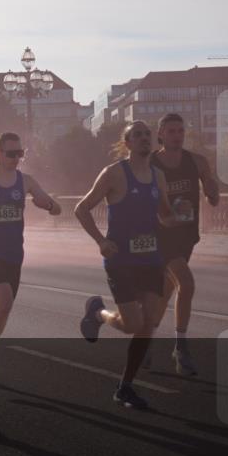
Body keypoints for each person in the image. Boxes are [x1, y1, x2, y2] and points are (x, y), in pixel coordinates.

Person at [75, 120, 182, 409]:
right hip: (120, 260)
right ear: (128, 143)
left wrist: (177, 216)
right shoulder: (114, 173)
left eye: (148, 134)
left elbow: (164, 214)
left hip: (150, 260)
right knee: (131, 324)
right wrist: (100, 241)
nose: (145, 138)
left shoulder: (158, 176)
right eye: (138, 135)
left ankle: (125, 387)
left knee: (147, 324)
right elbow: (81, 209)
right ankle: (97, 313)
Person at [0, 132, 61, 381]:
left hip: (14, 254)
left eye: (20, 154)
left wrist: (49, 206)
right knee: (5, 301)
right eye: (11, 153)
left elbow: (56, 207)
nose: (16, 158)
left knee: (3, 307)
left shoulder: (25, 181)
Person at [147, 113, 220, 375]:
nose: (177, 135)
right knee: (186, 284)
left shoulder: (197, 162)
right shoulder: (151, 163)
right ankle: (181, 347)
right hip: (161, 236)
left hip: (187, 236)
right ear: (161, 134)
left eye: (180, 130)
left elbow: (214, 196)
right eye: (171, 131)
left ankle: (144, 342)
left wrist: (212, 191)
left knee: (166, 292)